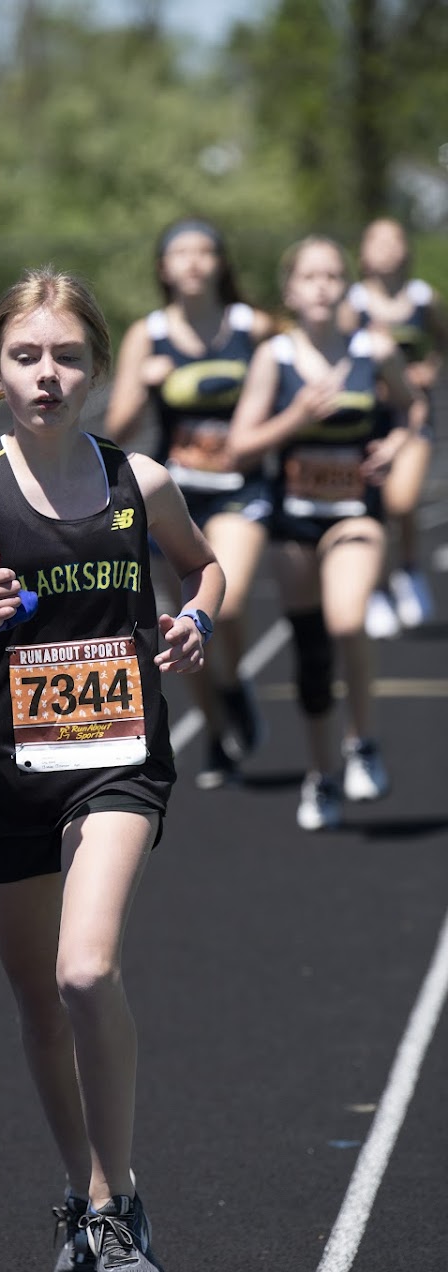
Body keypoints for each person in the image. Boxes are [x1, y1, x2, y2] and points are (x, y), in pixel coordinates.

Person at [0, 267, 225, 1272]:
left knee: (86, 972)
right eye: (27, 355)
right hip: (6, 775)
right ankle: (80, 1194)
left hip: (118, 759)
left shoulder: (141, 480)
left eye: (68, 357)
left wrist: (196, 620)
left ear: (98, 368)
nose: (48, 375)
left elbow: (204, 568)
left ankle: (117, 1206)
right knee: (41, 1004)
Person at [228, 235, 422, 831]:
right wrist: (295, 418)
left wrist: (396, 442)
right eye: (309, 276)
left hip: (355, 513)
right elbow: (239, 448)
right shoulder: (274, 357)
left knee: (347, 619)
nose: (321, 286)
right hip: (293, 522)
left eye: (333, 275)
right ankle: (321, 774)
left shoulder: (374, 350)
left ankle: (363, 741)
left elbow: (413, 407)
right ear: (289, 290)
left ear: (347, 287)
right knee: (312, 651)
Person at [104, 218, 274, 790]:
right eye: (182, 252)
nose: (194, 262)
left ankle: (232, 682)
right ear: (163, 268)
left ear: (221, 263)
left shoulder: (254, 327)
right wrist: (147, 384)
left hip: (241, 488)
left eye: (205, 251)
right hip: (174, 496)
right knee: (182, 625)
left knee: (228, 597)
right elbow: (118, 427)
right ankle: (218, 729)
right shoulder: (148, 334)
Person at [346, 218, 448, 636]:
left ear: (406, 249)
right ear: (363, 252)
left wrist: (429, 368)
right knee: (371, 506)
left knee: (401, 502)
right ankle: (377, 587)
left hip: (412, 415)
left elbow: (442, 340)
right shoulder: (352, 302)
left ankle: (409, 568)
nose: (387, 248)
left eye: (395, 240)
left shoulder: (424, 299)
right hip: (369, 419)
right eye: (377, 240)